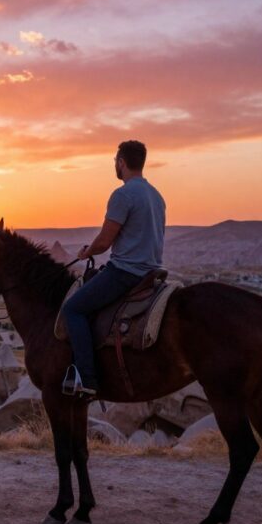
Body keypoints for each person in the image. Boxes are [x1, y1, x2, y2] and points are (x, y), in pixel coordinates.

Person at [60, 140, 166, 397]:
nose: (115, 166)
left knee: (72, 309)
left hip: (125, 273)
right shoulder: (156, 195)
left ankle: (87, 379)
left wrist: (87, 251)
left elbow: (105, 240)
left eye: (115, 162)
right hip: (152, 273)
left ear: (121, 162)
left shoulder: (123, 195)